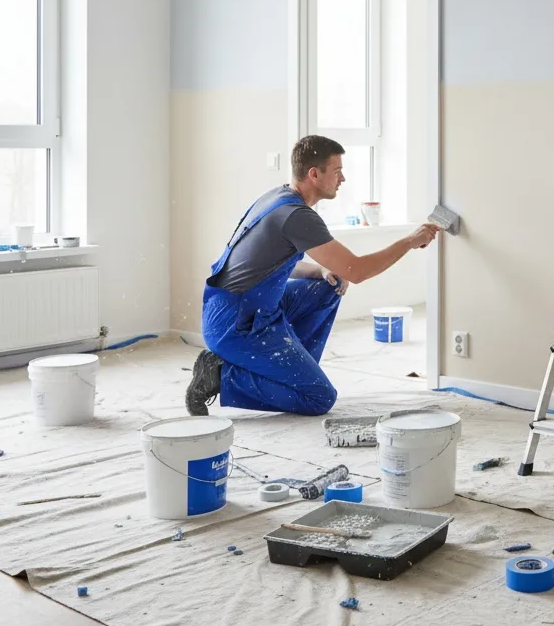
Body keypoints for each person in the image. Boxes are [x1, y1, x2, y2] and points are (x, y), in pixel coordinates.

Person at [185, 135, 440, 416]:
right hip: (236, 323)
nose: (342, 179)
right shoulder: (296, 215)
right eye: (337, 171)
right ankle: (221, 376)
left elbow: (266, 265)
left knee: (328, 285)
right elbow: (357, 271)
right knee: (319, 398)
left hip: (247, 307)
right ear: (314, 174)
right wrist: (410, 241)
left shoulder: (276, 197)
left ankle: (292, 371)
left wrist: (319, 270)